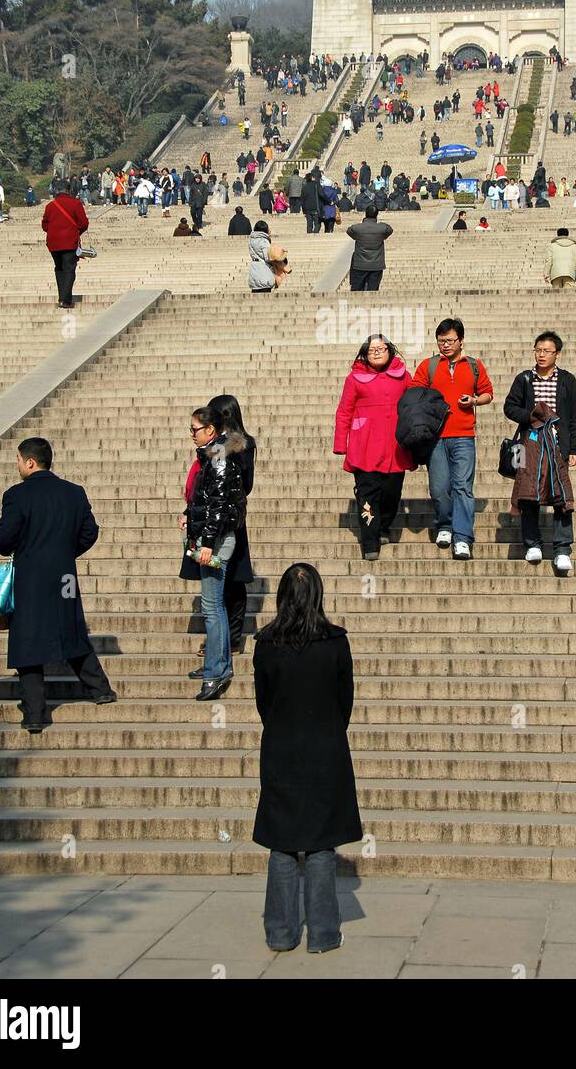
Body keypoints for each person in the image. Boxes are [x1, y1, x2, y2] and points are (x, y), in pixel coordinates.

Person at [252, 563, 362, 954]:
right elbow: (344, 700)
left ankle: (280, 933)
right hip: (325, 750)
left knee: (282, 842)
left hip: (281, 750)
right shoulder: (335, 642)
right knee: (320, 843)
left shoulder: (266, 644)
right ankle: (323, 934)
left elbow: (263, 702)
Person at [0, 437, 116, 733]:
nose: (18, 465)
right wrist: (65, 553)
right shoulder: (73, 493)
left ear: (30, 462)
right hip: (65, 576)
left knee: (27, 637)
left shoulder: (16, 495)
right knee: (71, 626)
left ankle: (35, 713)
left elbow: (5, 542)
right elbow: (90, 532)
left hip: (30, 578)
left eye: (19, 460)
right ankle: (99, 689)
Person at [409, 318, 493, 561]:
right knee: (439, 488)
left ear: (461, 341)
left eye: (450, 340)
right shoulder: (429, 366)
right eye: (441, 340)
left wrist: (475, 400)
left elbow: (488, 393)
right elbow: (415, 392)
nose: (445, 345)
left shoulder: (474, 365)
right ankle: (444, 525)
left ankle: (463, 537)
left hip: (464, 435)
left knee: (463, 488)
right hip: (435, 437)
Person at [503, 332, 576, 574]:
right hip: (529, 443)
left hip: (558, 444)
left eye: (547, 351)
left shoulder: (567, 380)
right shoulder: (525, 379)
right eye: (538, 350)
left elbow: (575, 417)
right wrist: (531, 416)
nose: (541, 354)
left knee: (561, 495)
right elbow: (509, 407)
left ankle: (562, 549)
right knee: (528, 493)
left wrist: (574, 448)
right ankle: (532, 544)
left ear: (557, 354)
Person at [333, 335, 415, 561]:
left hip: (395, 449)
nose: (377, 352)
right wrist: (341, 443)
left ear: (390, 350)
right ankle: (370, 542)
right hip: (365, 446)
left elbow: (415, 405)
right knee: (367, 496)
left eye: (381, 348)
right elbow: (344, 412)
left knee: (391, 495)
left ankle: (383, 526)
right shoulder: (354, 379)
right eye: (372, 349)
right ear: (364, 354)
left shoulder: (404, 377)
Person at [184, 406, 246, 700]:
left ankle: (216, 672)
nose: (192, 435)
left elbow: (219, 506)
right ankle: (218, 666)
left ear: (210, 431)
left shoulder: (219, 457)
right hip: (213, 538)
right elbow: (205, 497)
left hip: (217, 541)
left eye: (194, 429)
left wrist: (207, 542)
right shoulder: (214, 455)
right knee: (214, 606)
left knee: (212, 608)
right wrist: (189, 514)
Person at [41, 187, 88, 309]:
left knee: (59, 268)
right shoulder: (75, 204)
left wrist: (54, 231)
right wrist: (76, 231)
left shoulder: (50, 206)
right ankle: (65, 299)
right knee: (69, 269)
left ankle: (62, 296)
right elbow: (84, 223)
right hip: (69, 241)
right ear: (69, 191)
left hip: (53, 243)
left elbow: (44, 225)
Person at [346, 207, 392, 291]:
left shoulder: (357, 228)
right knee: (373, 290)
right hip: (376, 264)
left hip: (359, 264)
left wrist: (357, 237)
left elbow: (349, 231)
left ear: (365, 214)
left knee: (357, 290)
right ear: (377, 215)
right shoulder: (382, 228)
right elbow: (389, 229)